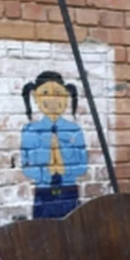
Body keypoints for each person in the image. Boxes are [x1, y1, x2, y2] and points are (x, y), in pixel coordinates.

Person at [20, 71, 88, 218]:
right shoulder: (29, 131)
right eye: (45, 94)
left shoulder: (74, 130)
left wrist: (66, 171)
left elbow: (82, 166)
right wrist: (45, 174)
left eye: (58, 94)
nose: (52, 100)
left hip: (69, 190)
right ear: (36, 98)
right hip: (43, 191)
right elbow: (26, 167)